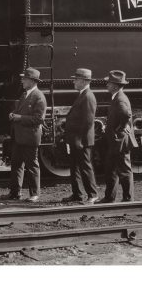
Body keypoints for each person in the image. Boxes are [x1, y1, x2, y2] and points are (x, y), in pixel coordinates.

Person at [4, 67, 47, 202]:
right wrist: (13, 114)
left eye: (25, 78)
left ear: (33, 81)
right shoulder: (25, 94)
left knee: (32, 165)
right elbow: (19, 111)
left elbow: (39, 119)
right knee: (16, 165)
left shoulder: (39, 97)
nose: (22, 81)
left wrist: (18, 117)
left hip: (29, 137)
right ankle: (15, 193)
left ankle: (35, 194)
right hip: (19, 136)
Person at [97, 70, 137, 203]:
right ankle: (110, 197)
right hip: (116, 140)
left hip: (120, 140)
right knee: (111, 169)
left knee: (124, 170)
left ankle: (128, 199)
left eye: (109, 82)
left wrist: (119, 129)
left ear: (115, 85)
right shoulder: (117, 97)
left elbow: (126, 115)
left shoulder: (120, 99)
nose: (107, 84)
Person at [61, 68, 99, 204]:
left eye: (76, 79)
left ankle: (93, 194)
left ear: (83, 81)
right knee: (75, 167)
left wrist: (78, 139)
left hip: (82, 140)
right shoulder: (83, 95)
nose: (73, 81)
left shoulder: (88, 96)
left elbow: (88, 121)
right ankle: (77, 194)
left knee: (85, 167)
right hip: (76, 139)